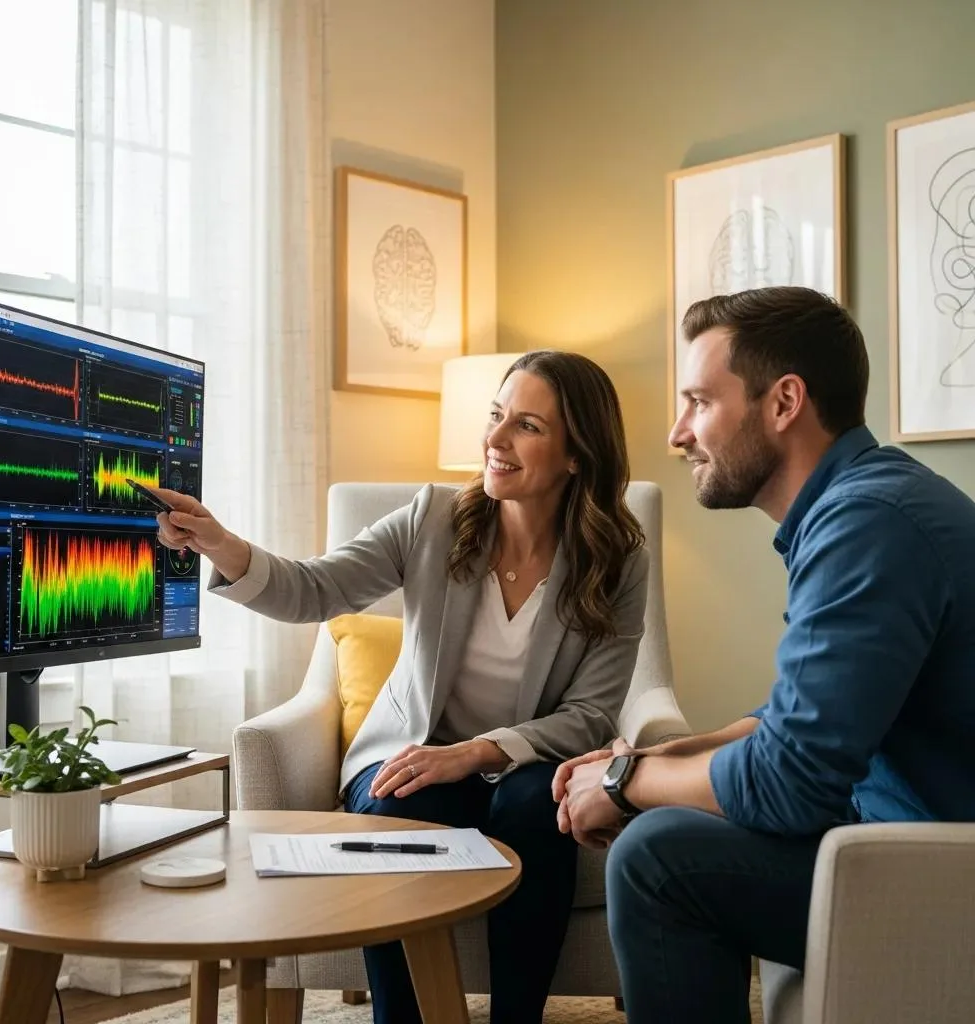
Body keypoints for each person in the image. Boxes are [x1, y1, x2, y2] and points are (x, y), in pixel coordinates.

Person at [151, 349, 650, 1024]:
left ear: (576, 454)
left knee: (541, 803)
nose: (495, 440)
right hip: (413, 752)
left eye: (526, 425)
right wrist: (220, 544)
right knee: (396, 812)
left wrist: (478, 752)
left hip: (524, 763)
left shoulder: (619, 559)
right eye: (496, 415)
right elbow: (314, 589)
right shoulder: (433, 520)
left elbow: (592, 714)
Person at [552, 286, 975, 1024]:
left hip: (942, 868)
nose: (678, 432)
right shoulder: (866, 504)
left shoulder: (867, 524)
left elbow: (791, 781)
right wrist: (668, 754)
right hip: (903, 827)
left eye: (698, 402)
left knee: (658, 858)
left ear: (783, 403)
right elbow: (795, 723)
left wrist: (628, 780)